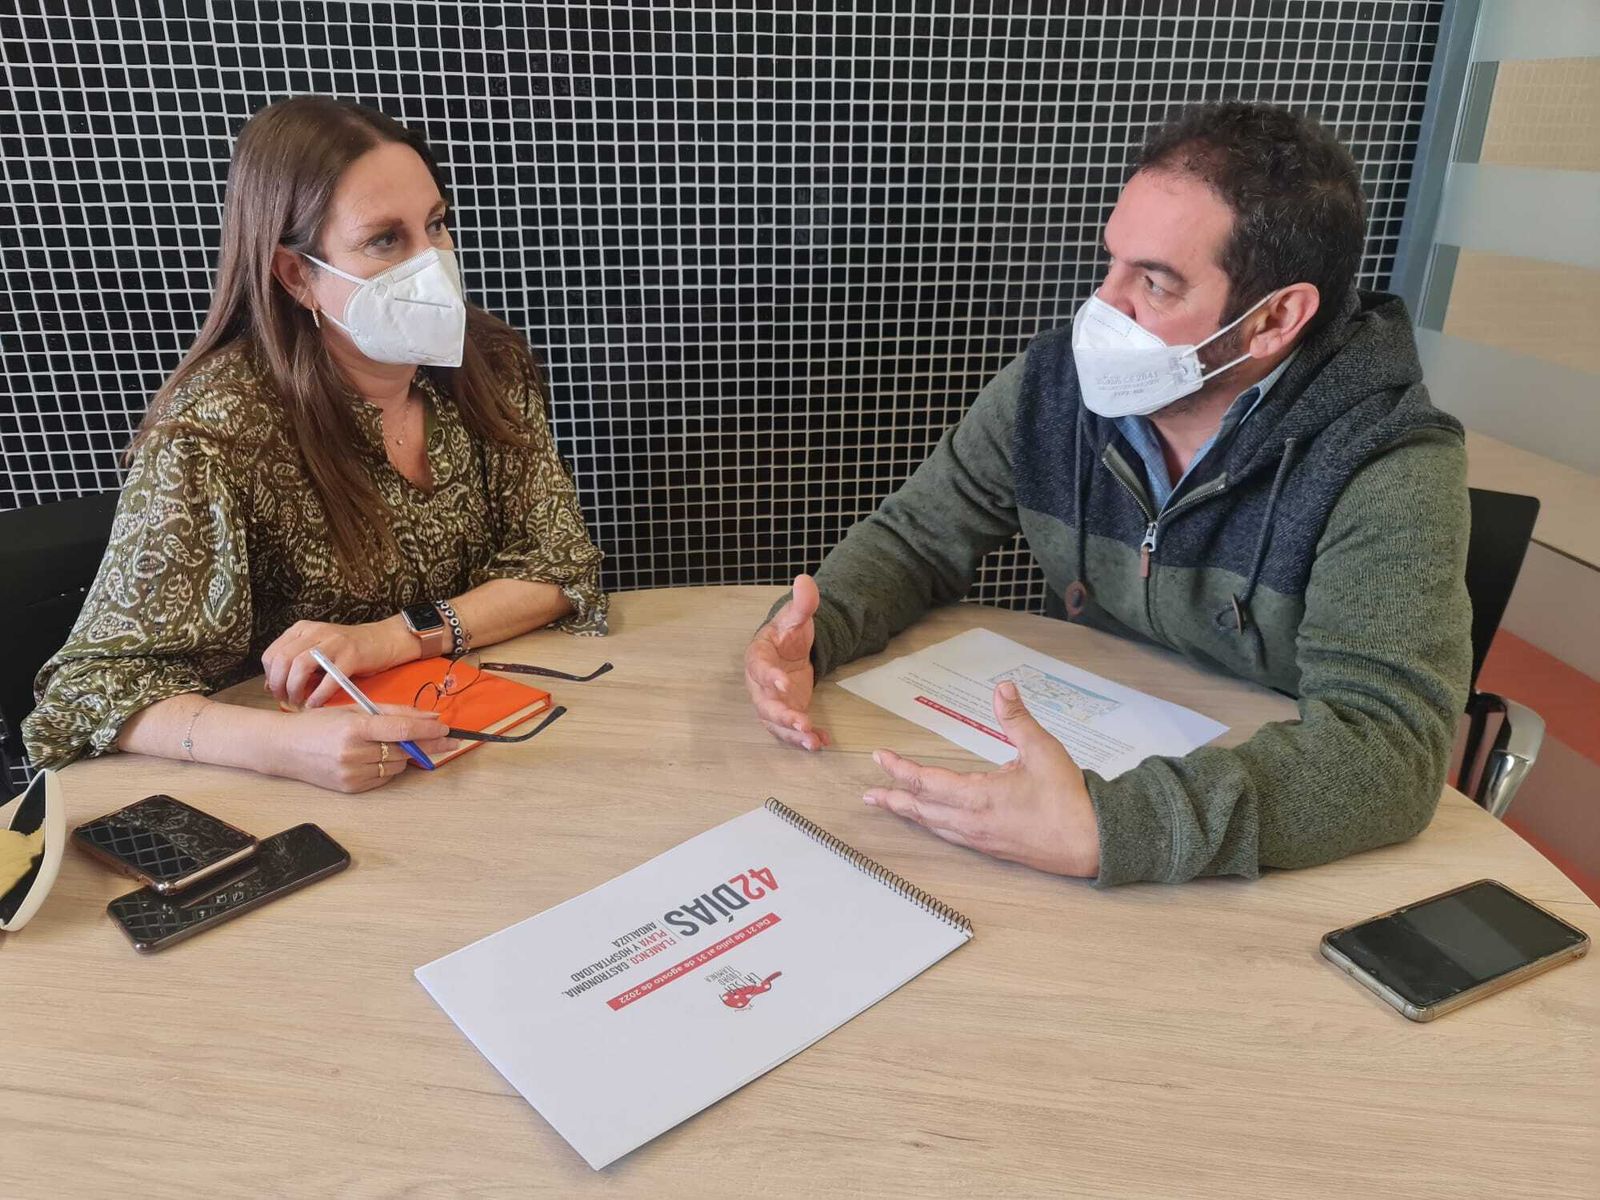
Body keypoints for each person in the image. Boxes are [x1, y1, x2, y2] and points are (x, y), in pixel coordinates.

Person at [744, 101, 1471, 885]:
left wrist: (1115, 826)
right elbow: (917, 539)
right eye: (1112, 263)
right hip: (1100, 735)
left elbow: (1386, 749)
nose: (1101, 308)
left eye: (1154, 284)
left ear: (1275, 320)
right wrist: (810, 636)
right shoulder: (1054, 387)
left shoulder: (1390, 465)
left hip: (1270, 840)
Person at [24, 96, 607, 793]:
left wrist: (385, 638)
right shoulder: (213, 430)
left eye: (437, 225)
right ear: (296, 274)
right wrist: (283, 746)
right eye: (385, 240)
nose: (435, 264)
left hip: (472, 749)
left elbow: (557, 569)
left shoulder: (490, 363)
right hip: (286, 785)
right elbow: (93, 688)